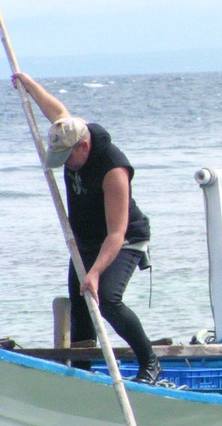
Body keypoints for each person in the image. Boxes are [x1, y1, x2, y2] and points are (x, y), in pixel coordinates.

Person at [13, 73, 161, 383]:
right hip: (85, 240)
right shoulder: (73, 132)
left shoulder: (113, 170)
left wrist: (94, 272)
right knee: (80, 305)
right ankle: (83, 374)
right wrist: (28, 85)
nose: (66, 163)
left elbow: (116, 234)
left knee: (106, 299)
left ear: (84, 147)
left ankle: (150, 361)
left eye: (69, 158)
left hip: (124, 239)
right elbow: (56, 112)